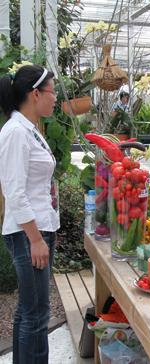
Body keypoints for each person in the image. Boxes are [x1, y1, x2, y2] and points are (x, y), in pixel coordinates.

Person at [0, 65, 60, 364]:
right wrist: (36, 239)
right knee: (37, 315)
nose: (55, 98)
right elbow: (13, 190)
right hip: (28, 232)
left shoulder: (27, 128)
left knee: (27, 312)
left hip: (37, 228)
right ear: (35, 94)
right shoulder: (15, 132)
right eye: (52, 92)